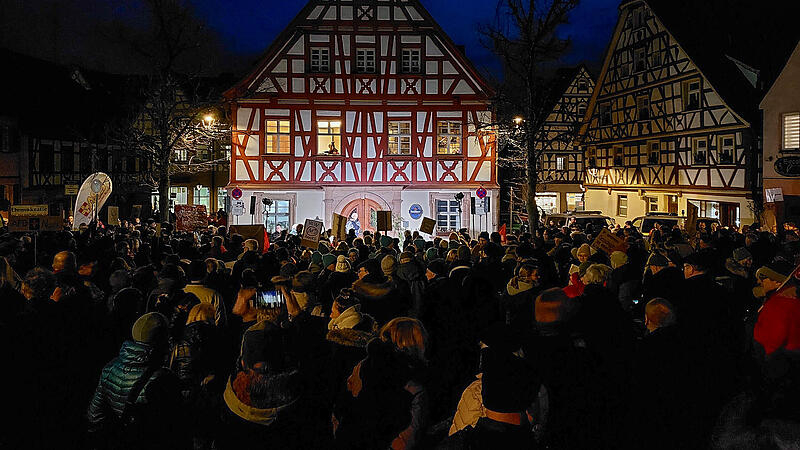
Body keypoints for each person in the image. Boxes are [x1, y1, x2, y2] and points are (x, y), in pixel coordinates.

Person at [87, 312, 184, 450]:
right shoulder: (163, 378)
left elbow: (94, 414)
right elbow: (172, 426)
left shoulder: (110, 368)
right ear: (163, 338)